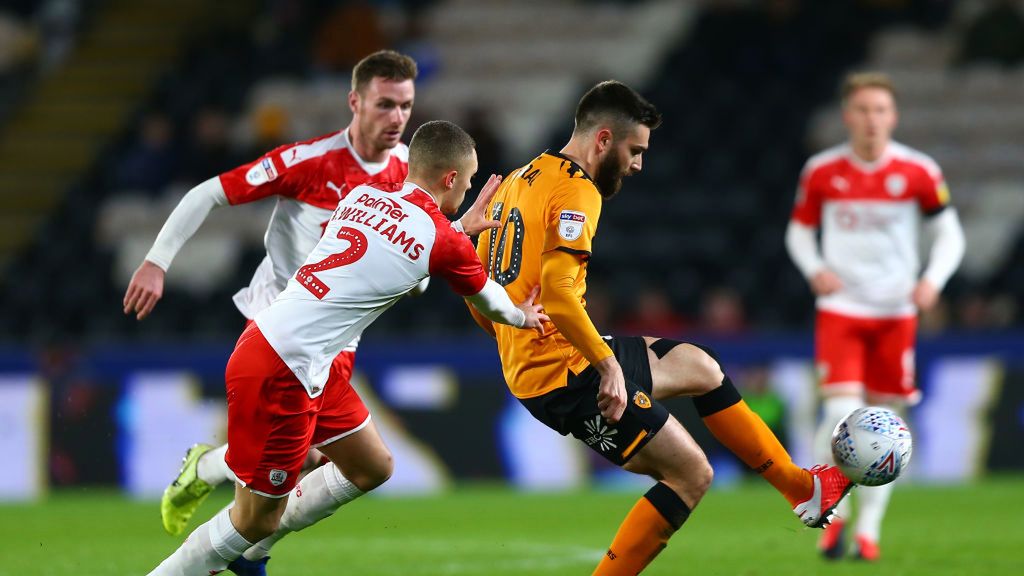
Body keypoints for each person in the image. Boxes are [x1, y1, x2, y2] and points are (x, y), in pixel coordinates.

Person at [470, 80, 853, 576]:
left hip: (550, 358)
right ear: (603, 139)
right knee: (691, 474)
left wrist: (513, 332)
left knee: (701, 367)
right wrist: (605, 367)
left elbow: (477, 289)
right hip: (566, 375)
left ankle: (804, 489)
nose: (638, 164)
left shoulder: (522, 178)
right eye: (635, 150)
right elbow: (561, 295)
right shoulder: (577, 190)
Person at [146, 120, 548, 575]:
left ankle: (245, 541)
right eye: (470, 180)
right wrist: (523, 315)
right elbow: (489, 300)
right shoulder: (443, 240)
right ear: (450, 179)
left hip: (284, 349)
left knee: (372, 465)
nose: (472, 187)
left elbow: (393, 263)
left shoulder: (361, 198)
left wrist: (454, 228)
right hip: (286, 370)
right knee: (256, 519)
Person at [121, 50, 420, 543]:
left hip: (339, 339)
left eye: (406, 106)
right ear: (354, 101)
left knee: (317, 464)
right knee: (315, 465)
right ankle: (237, 548)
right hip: (279, 324)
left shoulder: (409, 169)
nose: (397, 118)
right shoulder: (307, 162)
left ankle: (210, 475)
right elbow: (208, 193)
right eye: (385, 104)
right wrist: (157, 262)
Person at [785, 72, 965, 561]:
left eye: (880, 110)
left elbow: (950, 235)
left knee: (890, 428)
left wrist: (932, 281)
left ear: (894, 116)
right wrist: (815, 268)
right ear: (848, 116)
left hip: (894, 312)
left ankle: (869, 532)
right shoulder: (822, 171)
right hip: (842, 309)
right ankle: (832, 517)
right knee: (840, 416)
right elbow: (798, 233)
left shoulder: (917, 171)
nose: (872, 119)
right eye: (863, 110)